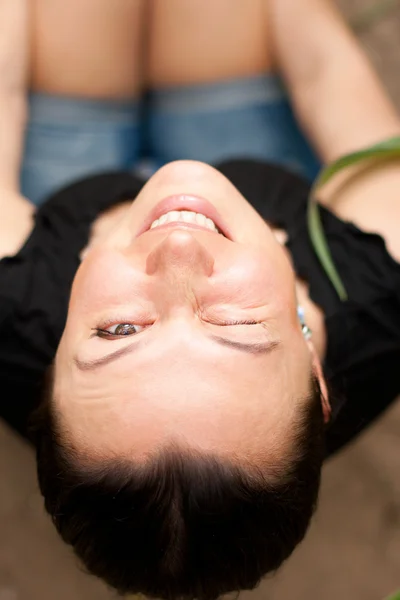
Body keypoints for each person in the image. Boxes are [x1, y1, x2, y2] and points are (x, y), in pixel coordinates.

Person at [0, 1, 400, 599]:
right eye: (236, 322)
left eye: (119, 331)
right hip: (242, 143)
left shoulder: (10, 305)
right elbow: (323, 74)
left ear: (48, 370)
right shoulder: (382, 282)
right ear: (317, 380)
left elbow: (4, 92)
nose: (180, 249)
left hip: (68, 167)